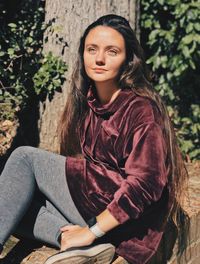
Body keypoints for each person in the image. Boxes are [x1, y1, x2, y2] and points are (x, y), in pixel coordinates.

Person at [0, 14, 188, 264]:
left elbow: (147, 183)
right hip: (104, 218)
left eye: (112, 51)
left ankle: (92, 239)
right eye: (92, 49)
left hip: (128, 222)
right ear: (83, 54)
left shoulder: (140, 109)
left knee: (25, 158)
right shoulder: (90, 103)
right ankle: (77, 244)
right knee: (14, 199)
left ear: (128, 60)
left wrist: (91, 231)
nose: (99, 58)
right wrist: (88, 234)